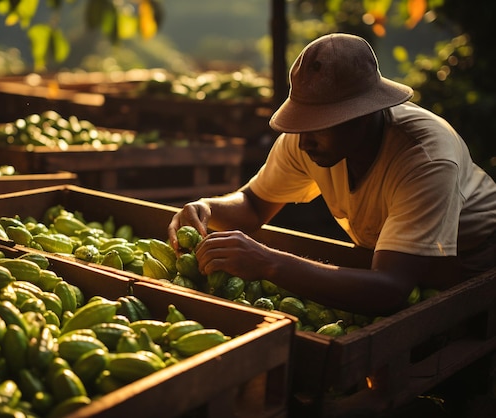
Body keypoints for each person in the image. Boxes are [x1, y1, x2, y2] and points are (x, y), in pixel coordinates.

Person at [167, 33, 496, 316]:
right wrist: (208, 207)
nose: (304, 139)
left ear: (364, 115)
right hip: (388, 260)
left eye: (319, 125)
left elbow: (390, 288)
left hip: (469, 260)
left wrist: (268, 262)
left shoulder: (424, 157)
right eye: (301, 122)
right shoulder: (305, 139)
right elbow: (254, 205)